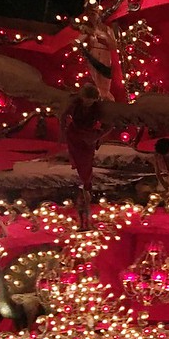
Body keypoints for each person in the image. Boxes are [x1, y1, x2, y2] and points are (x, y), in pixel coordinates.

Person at [60, 83, 109, 230]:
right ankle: (86, 182)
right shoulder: (75, 104)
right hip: (76, 134)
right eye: (87, 99)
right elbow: (64, 115)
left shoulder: (97, 107)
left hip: (87, 136)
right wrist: (63, 129)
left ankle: (86, 182)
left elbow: (104, 120)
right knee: (80, 157)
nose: (89, 102)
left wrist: (100, 133)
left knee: (86, 158)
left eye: (91, 100)